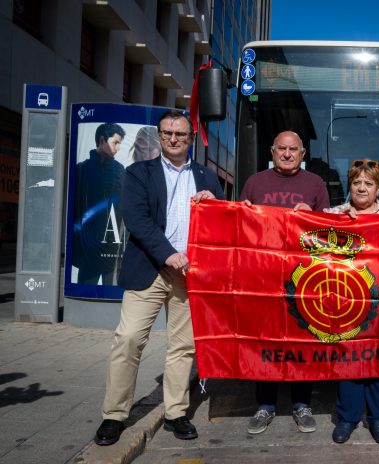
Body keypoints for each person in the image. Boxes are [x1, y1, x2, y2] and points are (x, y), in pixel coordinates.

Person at [94, 111, 224, 446]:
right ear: (159, 135)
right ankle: (114, 415)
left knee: (183, 346)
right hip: (150, 269)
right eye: (167, 133)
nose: (174, 139)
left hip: (189, 275)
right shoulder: (139, 173)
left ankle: (176, 412)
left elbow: (223, 225)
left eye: (181, 134)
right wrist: (168, 253)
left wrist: (216, 205)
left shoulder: (207, 177)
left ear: (190, 138)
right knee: (129, 339)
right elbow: (136, 219)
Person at [240, 130, 329, 434]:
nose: (288, 154)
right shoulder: (255, 182)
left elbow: (327, 229)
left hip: (302, 278)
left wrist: (312, 217)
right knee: (265, 340)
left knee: (302, 340)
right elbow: (240, 226)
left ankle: (301, 403)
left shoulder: (315, 184)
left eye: (293, 150)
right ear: (273, 151)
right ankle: (265, 405)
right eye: (282, 149)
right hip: (263, 276)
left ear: (303, 154)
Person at [325, 159, 379, 444]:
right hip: (347, 301)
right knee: (349, 359)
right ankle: (348, 418)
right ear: (350, 185)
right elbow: (303, 229)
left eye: (368, 183)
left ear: (378, 187)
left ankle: (378, 417)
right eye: (357, 182)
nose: (362, 187)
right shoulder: (333, 214)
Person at [72, 123, 126, 285]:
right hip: (88, 249)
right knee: (85, 293)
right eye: (115, 142)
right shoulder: (82, 169)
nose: (117, 148)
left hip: (112, 247)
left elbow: (121, 208)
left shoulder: (118, 170)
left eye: (119, 144)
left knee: (112, 296)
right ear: (102, 140)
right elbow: (75, 209)